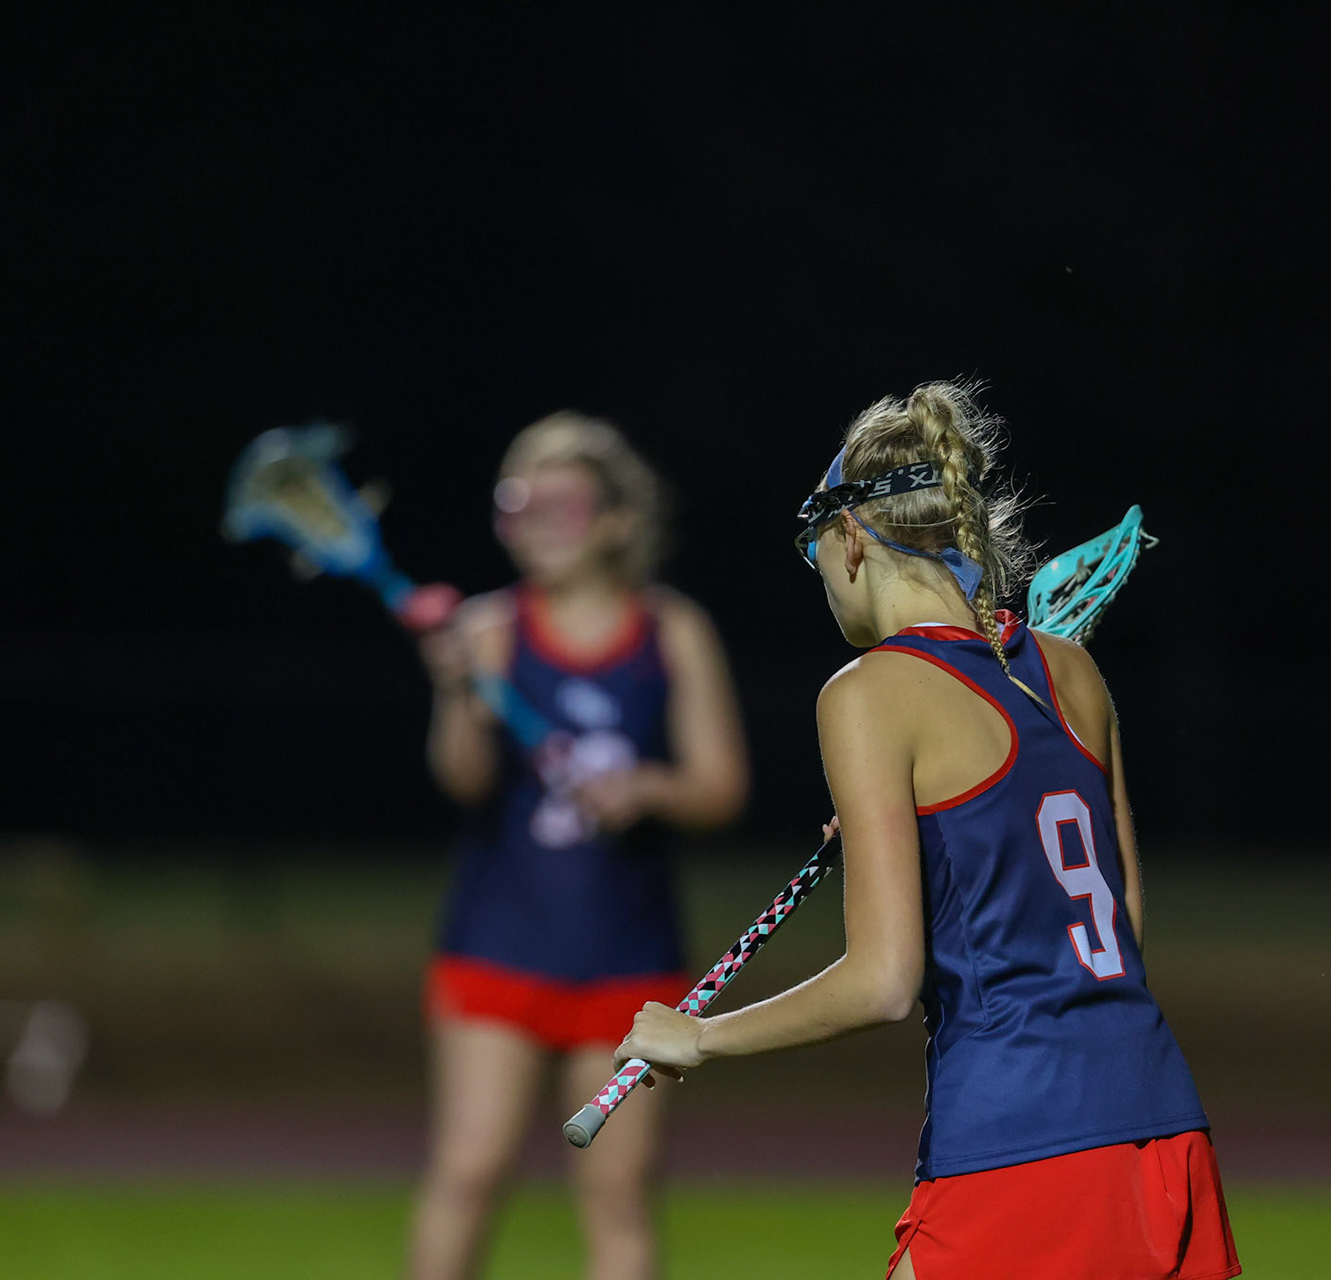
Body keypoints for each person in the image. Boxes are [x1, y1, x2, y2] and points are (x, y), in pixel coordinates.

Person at [615, 383, 1240, 1279]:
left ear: (854, 540)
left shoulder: (867, 692)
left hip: (1020, 1146)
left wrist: (699, 1037)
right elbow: (1117, 921)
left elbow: (882, 982)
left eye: (815, 556)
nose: (824, 580)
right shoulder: (1072, 670)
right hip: (1164, 1131)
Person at [410, 413, 749, 1280]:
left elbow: (720, 786)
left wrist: (646, 786)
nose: (537, 522)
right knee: (469, 1171)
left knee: (617, 1191)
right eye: (519, 503)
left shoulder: (672, 630)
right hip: (497, 944)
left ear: (616, 521)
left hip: (626, 957)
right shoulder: (488, 631)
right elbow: (465, 781)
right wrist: (457, 698)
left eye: (562, 503)